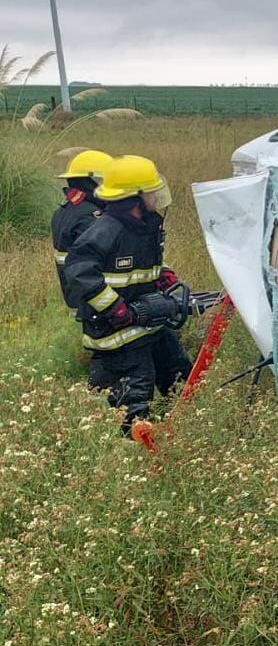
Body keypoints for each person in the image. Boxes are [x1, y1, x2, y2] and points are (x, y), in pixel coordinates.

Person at [63, 155, 193, 433]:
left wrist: (163, 275)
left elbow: (142, 265)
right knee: (134, 395)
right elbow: (78, 271)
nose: (156, 198)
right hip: (119, 336)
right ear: (134, 198)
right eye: (151, 193)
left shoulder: (144, 227)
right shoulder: (105, 230)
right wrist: (116, 309)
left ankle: (179, 432)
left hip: (148, 327)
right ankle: (135, 445)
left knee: (180, 374)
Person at [50, 149, 112, 301]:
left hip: (76, 295)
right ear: (91, 182)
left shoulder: (64, 210)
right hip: (95, 300)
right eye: (105, 181)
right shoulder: (90, 217)